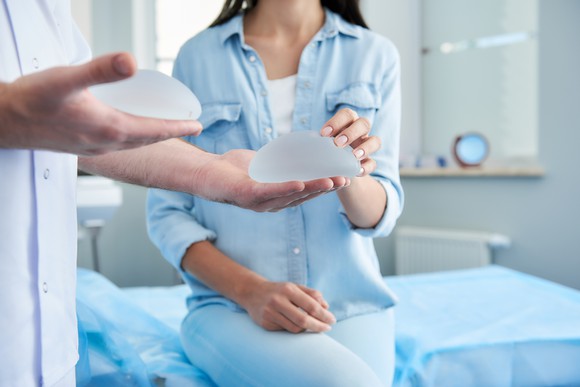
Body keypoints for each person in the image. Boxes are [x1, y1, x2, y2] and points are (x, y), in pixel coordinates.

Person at [0, 1, 348, 386]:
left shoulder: (47, 8)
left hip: (50, 349)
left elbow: (84, 125)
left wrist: (208, 170)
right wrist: (9, 112)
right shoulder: (201, 54)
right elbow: (165, 215)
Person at [146, 0, 403, 385]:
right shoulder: (197, 57)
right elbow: (167, 215)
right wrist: (250, 291)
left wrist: (347, 168)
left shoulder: (374, 55)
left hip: (351, 304)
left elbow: (380, 214)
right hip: (229, 307)